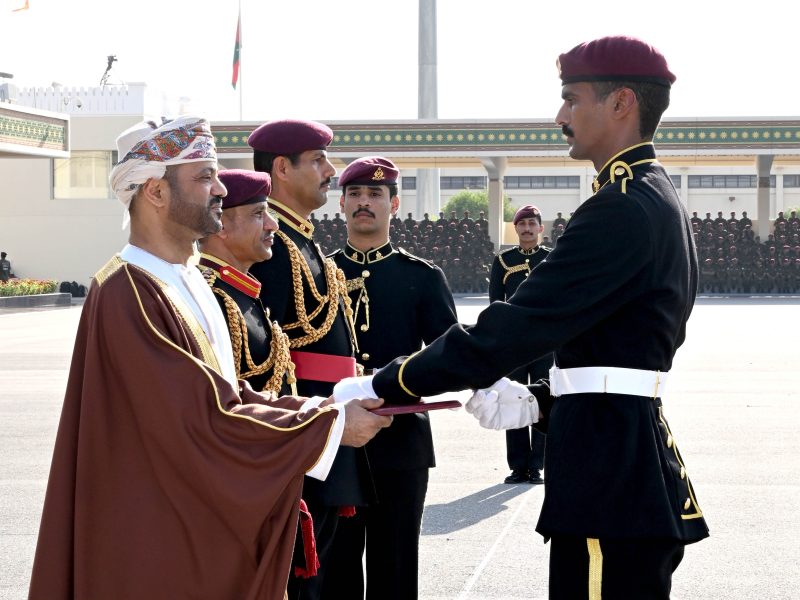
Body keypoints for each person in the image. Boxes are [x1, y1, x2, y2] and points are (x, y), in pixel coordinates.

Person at [336, 35, 708, 598]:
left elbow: (513, 328)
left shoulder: (619, 207)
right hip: (620, 445)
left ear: (621, 103)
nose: (560, 115)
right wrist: (543, 400)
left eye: (571, 98)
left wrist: (386, 382)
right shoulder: (653, 196)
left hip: (608, 467)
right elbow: (621, 346)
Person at [27, 117, 391, 600]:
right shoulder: (127, 290)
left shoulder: (187, 279)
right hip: (158, 536)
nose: (220, 189)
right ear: (156, 192)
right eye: (204, 177)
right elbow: (199, 417)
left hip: (186, 523)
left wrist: (320, 409)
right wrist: (328, 426)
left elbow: (226, 394)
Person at [247, 119, 371, 600]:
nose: (330, 171)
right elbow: (265, 355)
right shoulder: (273, 247)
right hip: (305, 429)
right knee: (301, 579)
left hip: (329, 422)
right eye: (318, 160)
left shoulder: (300, 240)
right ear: (281, 168)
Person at [326, 157, 458, 600]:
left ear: (394, 204)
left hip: (401, 441)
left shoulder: (422, 277)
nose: (364, 202)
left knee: (396, 568)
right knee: (336, 569)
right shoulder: (319, 276)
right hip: (335, 441)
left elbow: (449, 356)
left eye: (375, 194)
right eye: (355, 194)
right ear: (341, 204)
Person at [197, 168, 295, 395]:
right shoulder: (212, 298)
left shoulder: (239, 292)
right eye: (259, 214)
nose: (273, 225)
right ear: (220, 225)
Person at [488, 204, 551, 485]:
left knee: (541, 401)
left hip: (544, 342)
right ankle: (517, 466)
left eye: (531, 224)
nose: (527, 229)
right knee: (512, 400)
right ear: (515, 229)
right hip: (512, 343)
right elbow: (495, 302)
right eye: (522, 224)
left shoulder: (552, 259)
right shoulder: (503, 261)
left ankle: (537, 465)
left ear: (540, 228)